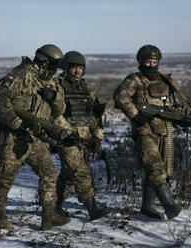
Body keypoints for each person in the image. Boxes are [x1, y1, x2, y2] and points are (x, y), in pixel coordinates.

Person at [0, 44, 71, 230]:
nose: (54, 71)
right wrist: (16, 123)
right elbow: (0, 99)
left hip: (35, 137)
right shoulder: (21, 75)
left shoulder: (50, 82)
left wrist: (54, 96)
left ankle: (49, 216)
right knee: (5, 176)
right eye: (53, 66)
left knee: (49, 174)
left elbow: (60, 110)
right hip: (14, 136)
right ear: (44, 62)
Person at [113, 44, 183, 219]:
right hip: (144, 131)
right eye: (148, 61)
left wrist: (181, 118)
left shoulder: (166, 80)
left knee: (161, 171)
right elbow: (121, 97)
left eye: (154, 61)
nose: (151, 65)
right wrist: (135, 116)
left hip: (165, 129)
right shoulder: (135, 80)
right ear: (141, 61)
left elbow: (176, 104)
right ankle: (169, 205)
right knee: (154, 167)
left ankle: (147, 206)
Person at [52, 51, 110, 220]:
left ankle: (53, 205)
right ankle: (91, 205)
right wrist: (69, 133)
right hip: (66, 137)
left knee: (69, 175)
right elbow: (55, 115)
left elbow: (95, 117)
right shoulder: (57, 86)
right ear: (66, 68)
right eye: (73, 67)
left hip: (85, 138)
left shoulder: (87, 88)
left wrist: (97, 137)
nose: (77, 71)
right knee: (80, 171)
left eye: (80, 67)